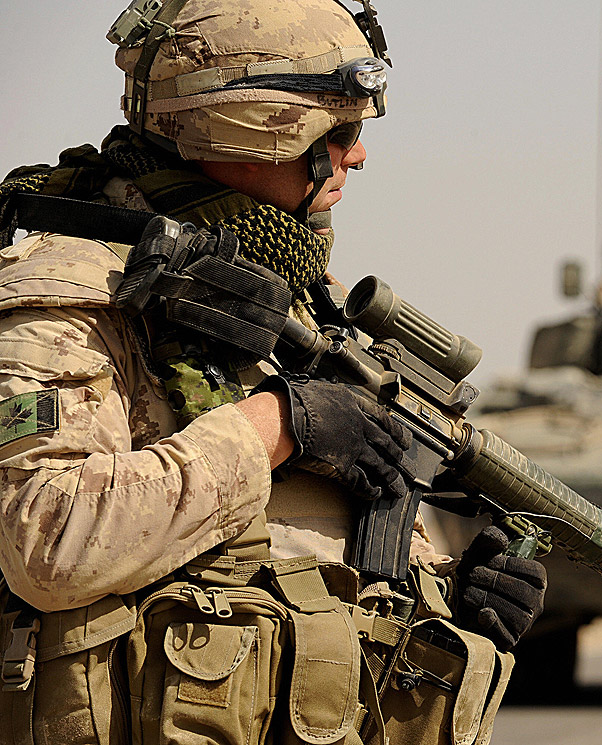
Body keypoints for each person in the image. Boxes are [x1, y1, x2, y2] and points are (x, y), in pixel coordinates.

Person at [0, 2, 544, 744]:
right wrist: (277, 424)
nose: (358, 156)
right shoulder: (72, 289)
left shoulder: (292, 307)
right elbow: (45, 541)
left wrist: (448, 596)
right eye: (341, 131)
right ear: (256, 126)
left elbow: (289, 561)